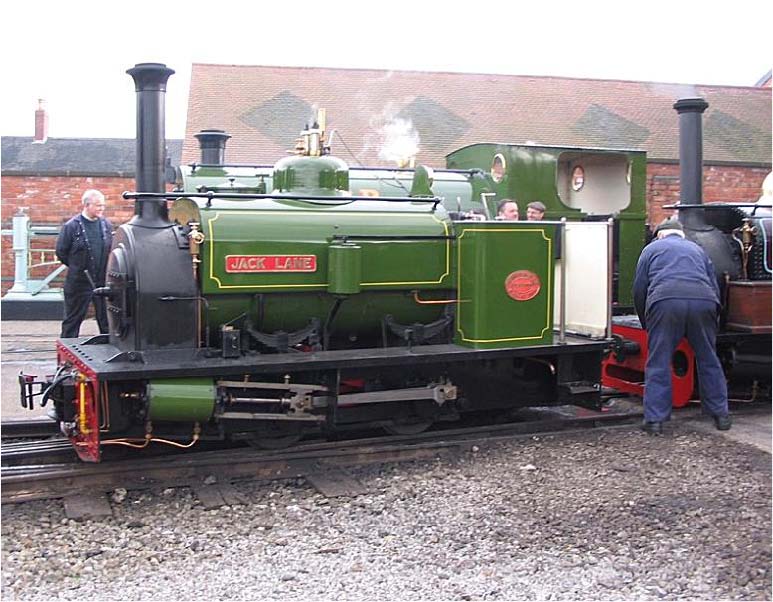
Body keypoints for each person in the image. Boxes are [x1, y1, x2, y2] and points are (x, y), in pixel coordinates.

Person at [632, 217, 731, 435]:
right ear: (681, 234)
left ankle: (655, 421)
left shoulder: (652, 249)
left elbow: (640, 289)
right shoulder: (697, 249)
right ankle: (721, 415)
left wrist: (646, 322)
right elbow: (714, 284)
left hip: (666, 301)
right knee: (708, 357)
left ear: (660, 234)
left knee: (659, 360)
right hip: (704, 300)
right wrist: (714, 315)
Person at [56, 189, 113, 338]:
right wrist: (78, 267)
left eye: (103, 206)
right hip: (78, 282)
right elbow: (62, 251)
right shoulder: (71, 227)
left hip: (102, 280)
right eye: (98, 205)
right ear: (87, 205)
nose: (101, 209)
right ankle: (68, 349)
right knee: (73, 319)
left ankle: (109, 350)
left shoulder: (106, 225)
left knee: (106, 321)